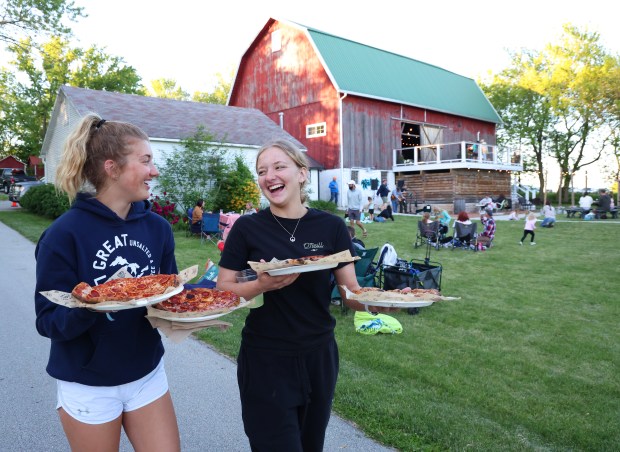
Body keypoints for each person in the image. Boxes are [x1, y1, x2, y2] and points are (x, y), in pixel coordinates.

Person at [215, 139, 397, 451]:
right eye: (261, 171)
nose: (269, 175)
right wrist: (261, 285)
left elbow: (350, 292)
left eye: (279, 166)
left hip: (319, 356)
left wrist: (386, 300)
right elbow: (223, 289)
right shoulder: (247, 228)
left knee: (311, 445)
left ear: (302, 174)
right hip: (265, 358)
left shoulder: (330, 226)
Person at [34, 114, 181, 451]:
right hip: (88, 381)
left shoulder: (158, 229)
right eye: (145, 161)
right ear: (113, 168)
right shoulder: (62, 236)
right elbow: (47, 321)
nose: (154, 170)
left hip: (146, 372)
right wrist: (90, 307)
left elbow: (168, 293)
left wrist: (194, 307)